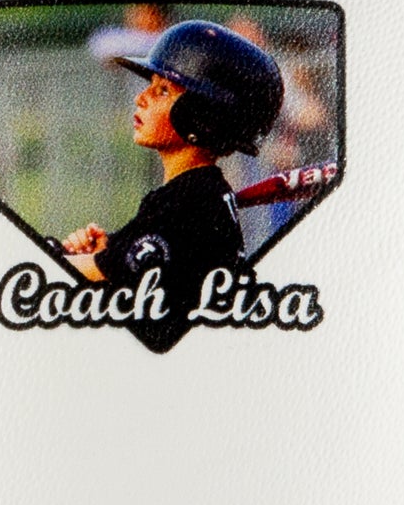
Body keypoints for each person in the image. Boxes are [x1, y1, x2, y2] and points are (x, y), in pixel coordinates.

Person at [59, 19, 284, 351]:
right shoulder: (195, 194)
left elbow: (85, 273)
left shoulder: (190, 201)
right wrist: (111, 249)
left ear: (202, 117)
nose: (141, 98)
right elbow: (133, 263)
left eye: (162, 91)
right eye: (151, 85)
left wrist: (56, 256)